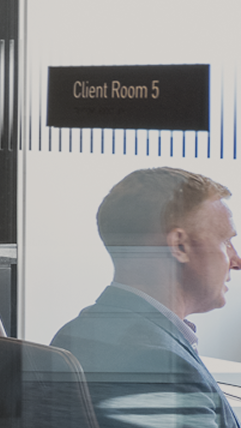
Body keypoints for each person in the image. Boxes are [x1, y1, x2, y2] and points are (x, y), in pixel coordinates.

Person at [56, 167, 241, 428]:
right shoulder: (160, 365)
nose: (236, 261)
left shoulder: (80, 330)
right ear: (179, 246)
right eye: (226, 242)